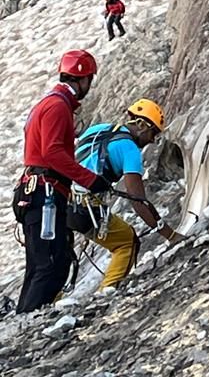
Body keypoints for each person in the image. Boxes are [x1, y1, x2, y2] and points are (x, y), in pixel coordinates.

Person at [13, 50, 111, 314]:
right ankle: (29, 323)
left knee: (40, 265)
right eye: (89, 79)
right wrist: (90, 180)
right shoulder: (58, 107)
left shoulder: (48, 104)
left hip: (35, 191)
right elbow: (53, 153)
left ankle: (24, 319)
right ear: (82, 79)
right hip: (45, 193)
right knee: (51, 266)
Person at [69, 98, 183, 290]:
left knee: (59, 260)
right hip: (85, 208)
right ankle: (106, 292)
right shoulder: (130, 150)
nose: (152, 140)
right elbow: (138, 201)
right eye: (153, 133)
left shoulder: (97, 129)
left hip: (63, 199)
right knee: (127, 242)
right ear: (142, 125)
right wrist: (170, 235)